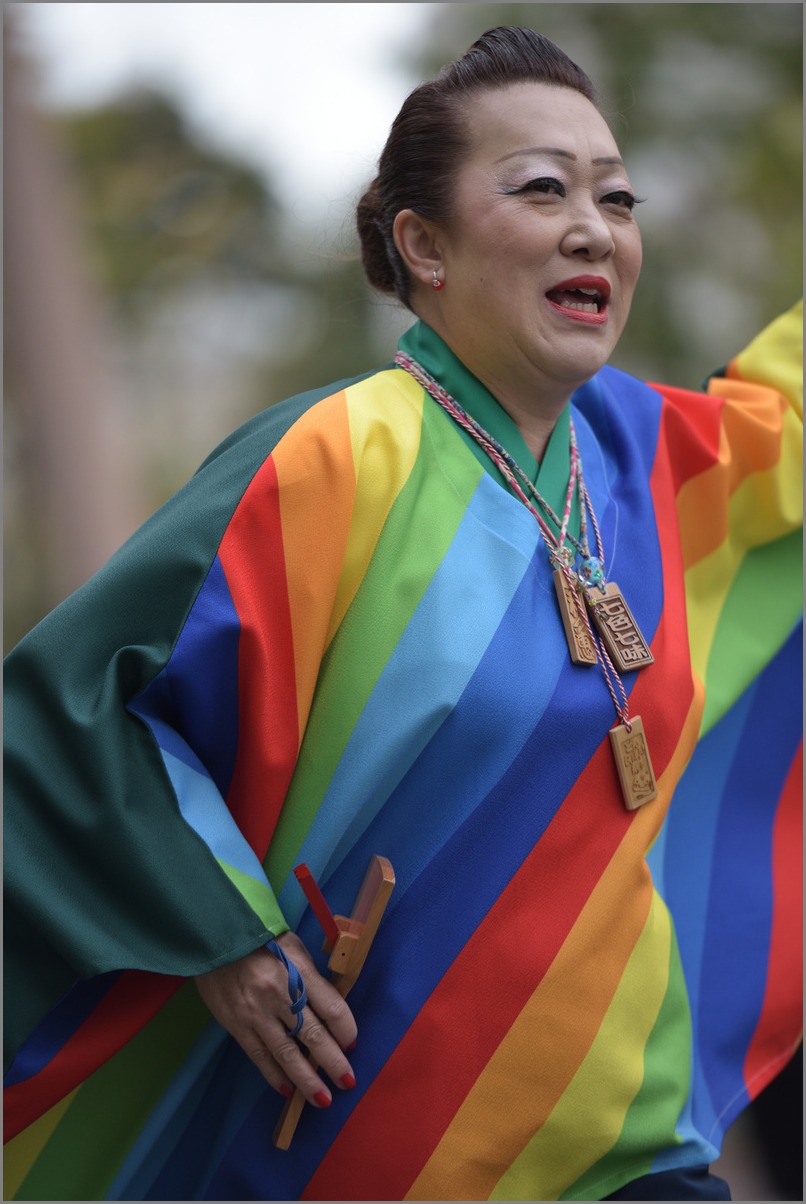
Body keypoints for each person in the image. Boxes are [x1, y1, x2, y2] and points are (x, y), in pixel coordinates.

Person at [4, 25, 802, 1203]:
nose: (593, 226)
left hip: (620, 1155)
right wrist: (222, 936)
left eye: (615, 197)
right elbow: (72, 713)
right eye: (541, 188)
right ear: (421, 244)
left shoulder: (661, 457)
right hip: (350, 1153)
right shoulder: (331, 459)